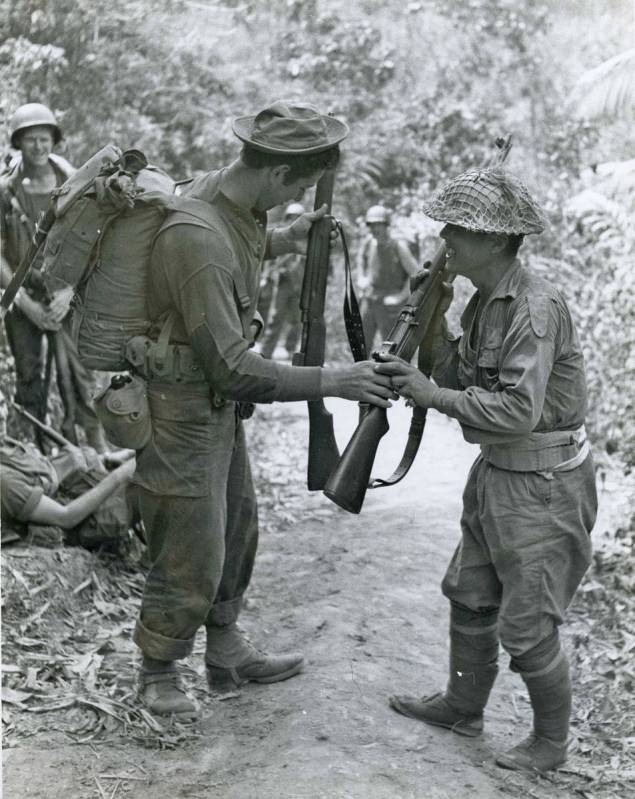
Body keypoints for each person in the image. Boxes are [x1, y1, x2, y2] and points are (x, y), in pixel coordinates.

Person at [129, 101, 396, 720]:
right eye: (298, 187)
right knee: (188, 539)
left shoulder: (234, 201)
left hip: (215, 403)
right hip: (181, 404)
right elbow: (231, 365)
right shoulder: (195, 237)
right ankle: (158, 670)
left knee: (236, 526)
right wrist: (334, 379)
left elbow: (241, 246)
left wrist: (285, 237)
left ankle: (224, 647)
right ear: (278, 175)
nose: (297, 195)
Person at [375, 167, 597, 773]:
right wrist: (435, 318)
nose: (445, 237)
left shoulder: (536, 309)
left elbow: (519, 411)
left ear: (498, 241)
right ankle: (462, 705)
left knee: (526, 627)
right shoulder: (482, 304)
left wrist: (429, 394)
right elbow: (456, 377)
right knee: (470, 596)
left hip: (543, 485)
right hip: (498, 474)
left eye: (459, 228)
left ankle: (550, 743)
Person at [0, 103, 106, 451]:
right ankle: (35, 454)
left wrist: (70, 291)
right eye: (30, 139)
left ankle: (91, 450)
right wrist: (25, 304)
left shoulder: (75, 183)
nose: (38, 147)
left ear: (54, 141)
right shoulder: (6, 191)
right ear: (18, 142)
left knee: (79, 374)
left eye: (44, 139)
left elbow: (91, 240)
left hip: (67, 297)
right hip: (23, 297)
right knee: (30, 377)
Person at [0, 392, 135, 547]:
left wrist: (106, 459)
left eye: (2, 404)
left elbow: (47, 472)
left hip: (85, 491)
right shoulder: (3, 479)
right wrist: (121, 474)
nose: (2, 415)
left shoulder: (5, 443)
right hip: (83, 522)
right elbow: (66, 517)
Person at [357, 204, 419, 351]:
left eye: (379, 224)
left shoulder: (398, 246)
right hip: (370, 297)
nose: (374, 229)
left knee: (392, 348)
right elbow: (361, 260)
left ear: (386, 225)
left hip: (390, 302)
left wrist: (401, 296)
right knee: (361, 343)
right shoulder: (368, 243)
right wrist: (362, 278)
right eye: (371, 225)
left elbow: (416, 275)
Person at [259, 202, 305, 360]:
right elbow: (269, 261)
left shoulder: (307, 239)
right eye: (291, 217)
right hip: (282, 283)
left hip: (300, 285)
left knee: (297, 321)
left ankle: (291, 350)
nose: (294, 220)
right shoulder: (282, 236)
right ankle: (266, 351)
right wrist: (266, 277)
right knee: (275, 318)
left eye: (297, 218)